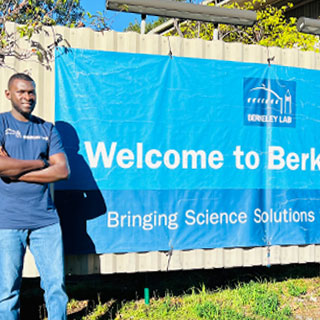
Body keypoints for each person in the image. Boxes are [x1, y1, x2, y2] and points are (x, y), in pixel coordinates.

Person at [0, 73, 70, 320]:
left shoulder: (47, 129)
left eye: (31, 92)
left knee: (56, 287)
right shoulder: (1, 125)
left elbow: (62, 170)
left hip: (46, 220)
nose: (28, 97)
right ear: (9, 94)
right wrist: (40, 163)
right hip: (7, 222)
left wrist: (16, 172)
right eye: (21, 92)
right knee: (7, 292)